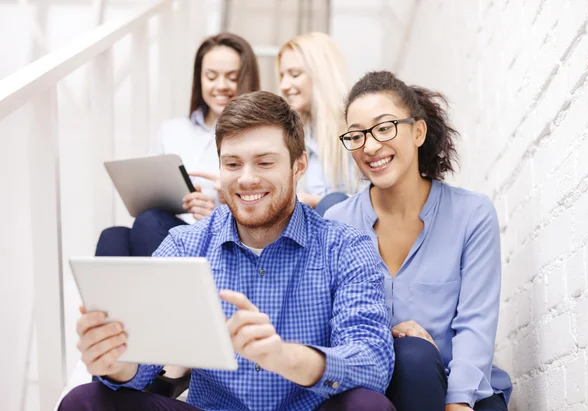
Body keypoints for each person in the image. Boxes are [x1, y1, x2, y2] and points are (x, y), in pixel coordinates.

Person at [58, 91, 396, 411]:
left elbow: (372, 362)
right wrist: (116, 362)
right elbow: (143, 363)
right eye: (232, 164)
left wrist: (284, 357)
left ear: (299, 166)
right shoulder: (185, 246)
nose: (246, 179)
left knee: (369, 406)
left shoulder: (345, 247)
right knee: (84, 400)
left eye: (264, 163)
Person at [325, 71, 513, 411]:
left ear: (418, 132)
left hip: (465, 392)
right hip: (380, 391)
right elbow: (333, 325)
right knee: (411, 355)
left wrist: (457, 403)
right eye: (356, 135)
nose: (370, 146)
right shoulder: (337, 223)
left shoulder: (473, 214)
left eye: (384, 128)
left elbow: (476, 323)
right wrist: (388, 332)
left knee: (416, 358)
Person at [95, 32, 260, 258]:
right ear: (199, 79)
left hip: (220, 241)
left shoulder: (259, 138)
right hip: (165, 230)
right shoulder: (172, 130)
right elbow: (146, 196)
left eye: (231, 77)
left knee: (148, 222)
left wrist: (220, 209)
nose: (220, 86)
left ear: (247, 79)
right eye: (211, 77)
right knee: (112, 237)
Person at [277, 32, 357, 215]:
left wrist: (317, 202)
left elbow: (376, 202)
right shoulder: (292, 135)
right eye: (282, 76)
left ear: (322, 74)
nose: (284, 85)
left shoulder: (357, 131)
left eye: (294, 74)